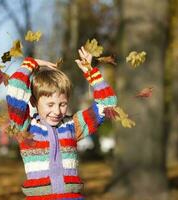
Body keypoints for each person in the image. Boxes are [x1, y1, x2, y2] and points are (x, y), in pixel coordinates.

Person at [6, 46, 117, 200]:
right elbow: (14, 90)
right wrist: (30, 64)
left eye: (62, 104)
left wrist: (90, 72)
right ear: (34, 101)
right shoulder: (26, 128)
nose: (57, 111)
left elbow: (107, 105)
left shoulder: (72, 125)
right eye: (50, 104)